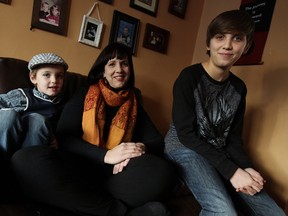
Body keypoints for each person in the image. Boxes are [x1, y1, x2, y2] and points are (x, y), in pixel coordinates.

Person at [12, 43, 175, 216]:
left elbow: (157, 141)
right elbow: (65, 137)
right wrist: (106, 155)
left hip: (112, 177)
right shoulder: (84, 93)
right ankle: (117, 212)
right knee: (24, 159)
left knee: (162, 172)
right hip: (76, 168)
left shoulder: (134, 104)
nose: (119, 69)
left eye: (124, 63)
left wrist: (138, 148)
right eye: (112, 64)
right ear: (102, 70)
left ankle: (88, 206)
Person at [164, 10, 285, 216]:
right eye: (220, 37)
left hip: (219, 151)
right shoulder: (189, 77)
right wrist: (232, 171)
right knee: (223, 212)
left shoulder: (239, 88)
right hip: (184, 147)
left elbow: (234, 139)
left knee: (274, 213)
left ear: (246, 46)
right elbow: (186, 134)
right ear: (208, 43)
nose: (227, 45)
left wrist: (247, 168)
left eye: (237, 38)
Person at [0, 52, 68, 163]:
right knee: (8, 114)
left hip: (30, 152)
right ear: (33, 78)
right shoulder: (23, 96)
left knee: (37, 119)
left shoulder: (66, 104)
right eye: (47, 75)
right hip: (9, 143)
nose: (54, 80)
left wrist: (56, 140)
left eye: (59, 76)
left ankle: (26, 168)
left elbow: (67, 132)